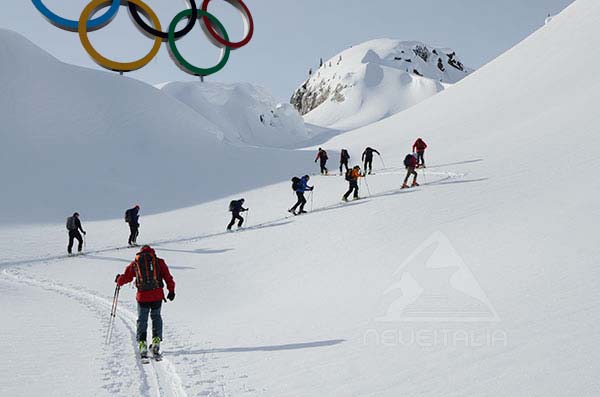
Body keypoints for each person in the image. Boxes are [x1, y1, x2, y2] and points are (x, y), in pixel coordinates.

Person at [115, 245, 175, 359]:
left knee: (142, 319)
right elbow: (168, 277)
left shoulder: (136, 263)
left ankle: (142, 344)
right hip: (157, 295)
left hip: (143, 296)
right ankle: (156, 341)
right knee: (156, 316)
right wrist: (171, 290)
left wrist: (119, 280)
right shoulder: (159, 262)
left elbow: (127, 277)